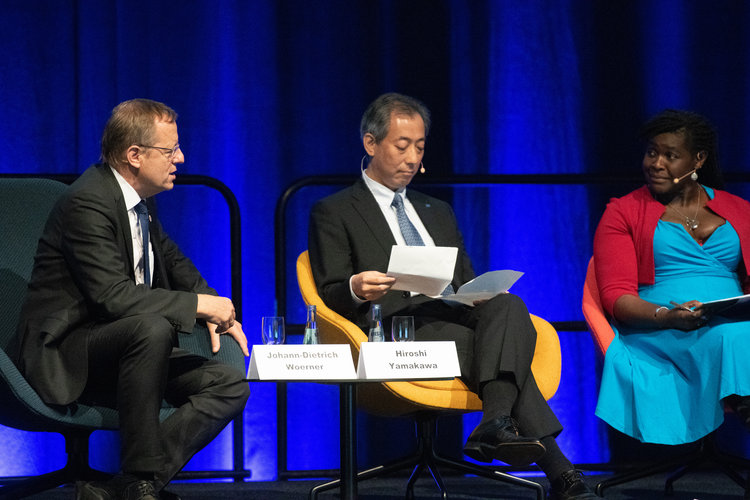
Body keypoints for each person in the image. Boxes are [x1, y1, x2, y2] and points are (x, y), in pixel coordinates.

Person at [308, 93, 598, 500]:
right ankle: (558, 469)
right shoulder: (334, 210)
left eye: (420, 147)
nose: (412, 158)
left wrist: (478, 293)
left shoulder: (436, 209)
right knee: (491, 350)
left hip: (452, 313)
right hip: (396, 328)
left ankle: (496, 423)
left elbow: (464, 280)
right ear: (371, 144)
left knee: (509, 305)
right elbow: (329, 291)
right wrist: (356, 287)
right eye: (401, 145)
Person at [11, 99, 251, 500]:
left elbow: (171, 258)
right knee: (151, 327)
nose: (181, 157)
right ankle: (139, 479)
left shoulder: (140, 200)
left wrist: (213, 303)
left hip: (133, 347)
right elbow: (113, 298)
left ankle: (131, 484)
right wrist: (198, 307)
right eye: (170, 150)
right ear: (134, 155)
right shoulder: (87, 202)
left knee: (228, 384)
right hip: (73, 349)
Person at [593, 109, 750, 445]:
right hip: (660, 332)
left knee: (736, 335)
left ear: (698, 159)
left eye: (670, 155)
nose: (656, 163)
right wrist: (666, 317)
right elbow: (615, 297)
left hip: (731, 323)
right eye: (652, 152)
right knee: (737, 339)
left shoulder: (740, 210)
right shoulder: (623, 211)